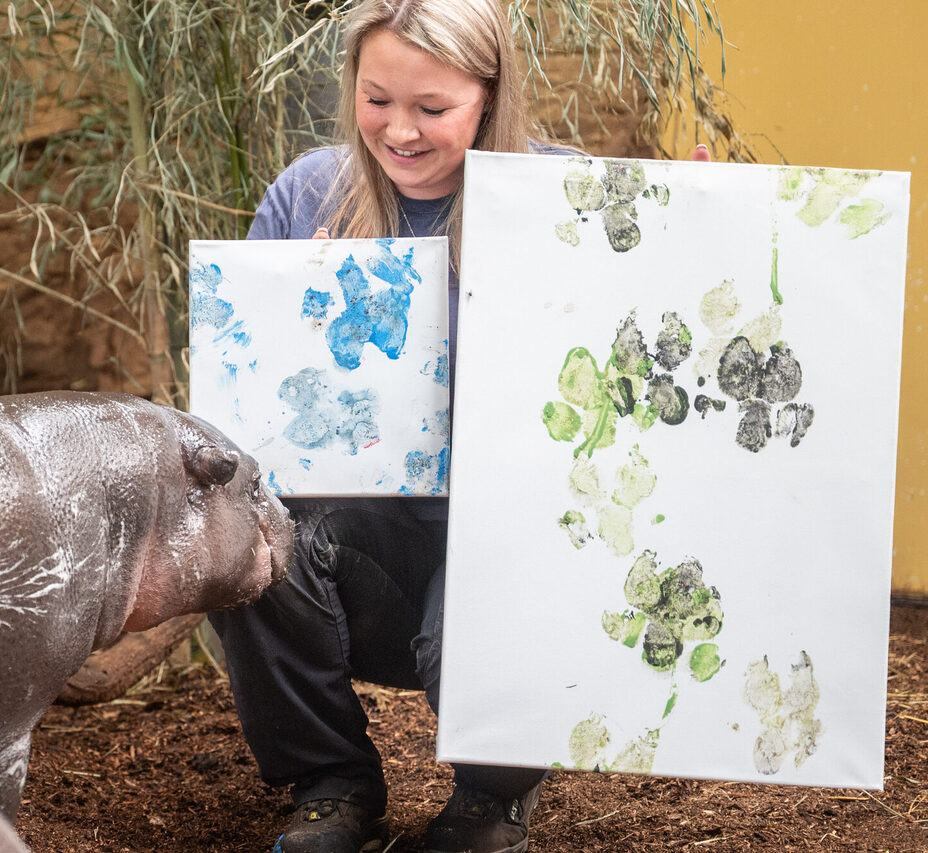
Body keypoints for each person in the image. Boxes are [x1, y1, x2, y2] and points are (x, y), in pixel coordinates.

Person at [208, 2, 710, 851]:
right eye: (377, 99)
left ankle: (493, 794)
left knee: (492, 606)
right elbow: (249, 432)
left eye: (431, 108)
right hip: (368, 543)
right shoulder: (307, 195)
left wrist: (698, 242)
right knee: (249, 539)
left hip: (517, 538)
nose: (398, 131)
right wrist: (298, 324)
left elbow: (656, 386)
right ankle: (332, 784)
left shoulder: (567, 204)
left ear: (488, 96)